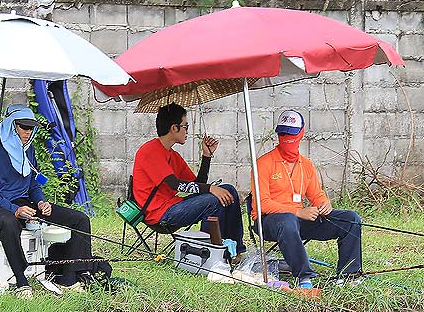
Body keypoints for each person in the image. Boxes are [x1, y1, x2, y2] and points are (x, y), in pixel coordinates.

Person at [0, 104, 92, 298]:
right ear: (11, 125)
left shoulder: (28, 149)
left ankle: (70, 278)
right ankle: (21, 281)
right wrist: (14, 209)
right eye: (23, 127)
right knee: (9, 222)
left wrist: (41, 203)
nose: (28, 132)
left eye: (31, 128)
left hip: (25, 203)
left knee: (79, 219)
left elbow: (34, 183)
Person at [251, 110, 362, 288]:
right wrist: (297, 211)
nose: (286, 138)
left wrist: (324, 204)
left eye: (291, 134)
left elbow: (316, 195)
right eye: (282, 133)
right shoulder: (263, 164)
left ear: (301, 134)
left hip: (299, 221)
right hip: (268, 222)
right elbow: (262, 204)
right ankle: (304, 277)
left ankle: (349, 275)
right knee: (288, 220)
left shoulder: (306, 165)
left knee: (350, 219)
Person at [132, 103, 246, 256]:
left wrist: (206, 156)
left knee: (229, 190)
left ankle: (235, 252)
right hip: (159, 214)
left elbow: (197, 184)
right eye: (185, 126)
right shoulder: (150, 150)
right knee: (212, 201)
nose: (187, 131)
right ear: (174, 128)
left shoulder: (173, 155)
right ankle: (206, 254)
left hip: (173, 205)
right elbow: (174, 184)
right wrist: (211, 189)